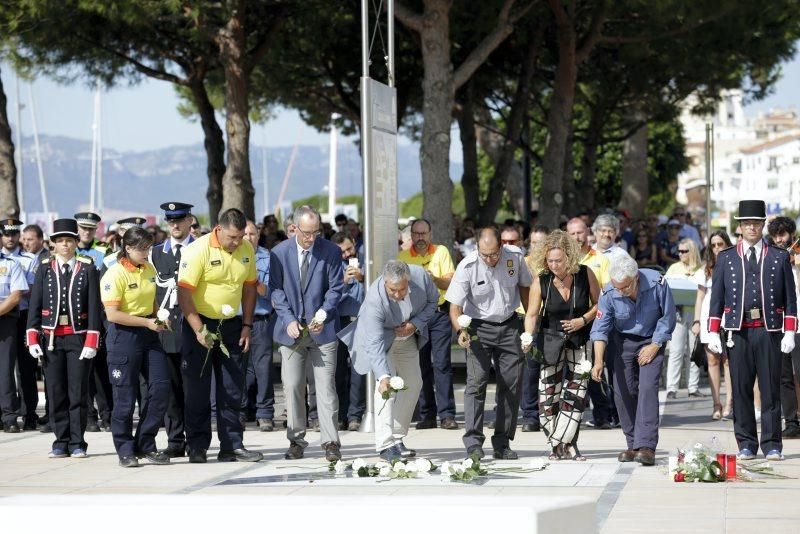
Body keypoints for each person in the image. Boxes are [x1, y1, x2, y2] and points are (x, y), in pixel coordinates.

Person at [708, 200, 797, 461]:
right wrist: (713, 331)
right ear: (740, 226)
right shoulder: (727, 258)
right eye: (746, 223)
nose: (751, 227)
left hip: (769, 331)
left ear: (762, 225)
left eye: (756, 223)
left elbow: (790, 299)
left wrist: (789, 331)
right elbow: (717, 299)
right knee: (741, 389)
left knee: (770, 389)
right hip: (738, 332)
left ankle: (772, 445)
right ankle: (746, 443)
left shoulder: (779, 257)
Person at [177, 208, 261, 464]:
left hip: (232, 324)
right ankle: (197, 446)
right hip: (199, 324)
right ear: (219, 229)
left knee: (232, 388)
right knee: (198, 389)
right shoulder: (197, 250)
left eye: (241, 237)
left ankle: (232, 445)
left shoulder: (246, 249)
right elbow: (184, 294)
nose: (237, 242)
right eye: (232, 237)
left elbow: (249, 290)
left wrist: (247, 324)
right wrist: (198, 329)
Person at [445, 227, 532, 460]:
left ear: (501, 246)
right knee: (476, 383)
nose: (490, 259)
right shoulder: (467, 266)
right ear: (477, 249)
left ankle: (502, 443)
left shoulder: (515, 257)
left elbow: (525, 288)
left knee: (511, 385)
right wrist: (460, 331)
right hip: (478, 328)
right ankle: (473, 442)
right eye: (485, 254)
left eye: (494, 254)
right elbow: (454, 307)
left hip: (510, 324)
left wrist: (530, 323)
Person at [338, 261, 438, 460]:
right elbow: (374, 342)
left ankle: (397, 437)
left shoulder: (420, 276)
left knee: (414, 383)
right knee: (387, 388)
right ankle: (384, 446)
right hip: (383, 341)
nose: (398, 295)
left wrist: (415, 324)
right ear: (384, 282)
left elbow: (433, 302)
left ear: (409, 281)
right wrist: (383, 376)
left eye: (402, 289)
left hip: (408, 337)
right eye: (393, 290)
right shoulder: (374, 300)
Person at [269, 205, 343, 461]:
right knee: (292, 386)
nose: (311, 238)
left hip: (322, 330)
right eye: (306, 232)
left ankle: (331, 441)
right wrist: (288, 319)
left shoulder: (331, 251)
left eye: (315, 232)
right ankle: (296, 440)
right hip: (291, 332)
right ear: (294, 228)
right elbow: (276, 291)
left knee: (325, 387)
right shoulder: (279, 253)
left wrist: (323, 314)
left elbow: (335, 288)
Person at [590, 255, 676, 466]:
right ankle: (633, 444)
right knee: (622, 391)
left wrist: (655, 345)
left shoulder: (657, 283)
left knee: (647, 388)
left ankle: (646, 446)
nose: (621, 292)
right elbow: (600, 329)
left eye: (625, 287)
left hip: (652, 339)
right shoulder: (609, 291)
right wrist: (598, 361)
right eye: (617, 287)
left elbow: (668, 317)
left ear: (636, 277)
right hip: (623, 342)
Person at [26, 218, 101, 457]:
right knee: (55, 391)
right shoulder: (46, 268)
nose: (65, 245)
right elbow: (35, 305)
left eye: (69, 240)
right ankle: (61, 440)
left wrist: (92, 340)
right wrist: (32, 337)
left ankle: (78, 442)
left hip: (78, 338)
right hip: (51, 339)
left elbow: (94, 307)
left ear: (76, 243)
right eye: (61, 241)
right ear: (53, 244)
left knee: (77, 392)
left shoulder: (87, 268)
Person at [522, 230, 599, 460]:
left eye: (558, 260)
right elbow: (532, 314)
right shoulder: (541, 280)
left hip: (580, 339)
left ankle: (568, 445)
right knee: (548, 396)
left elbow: (599, 303)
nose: (554, 265)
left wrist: (582, 320)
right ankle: (557, 444)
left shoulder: (585, 274)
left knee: (576, 394)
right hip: (550, 341)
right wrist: (527, 336)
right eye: (549, 260)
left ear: (569, 257)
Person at [101, 227, 171, 467]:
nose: (146, 253)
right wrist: (146, 322)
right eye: (142, 249)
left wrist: (158, 316)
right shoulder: (115, 274)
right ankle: (125, 449)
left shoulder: (149, 269)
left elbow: (151, 298)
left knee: (161, 387)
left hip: (148, 333)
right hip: (124, 336)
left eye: (149, 248)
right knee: (125, 397)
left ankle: (145, 443)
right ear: (128, 248)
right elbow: (112, 314)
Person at [397, 218, 458, 430]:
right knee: (420, 366)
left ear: (430, 234)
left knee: (442, 364)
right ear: (411, 236)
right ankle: (427, 414)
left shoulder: (441, 252)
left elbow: (450, 281)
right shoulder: (403, 257)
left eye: (424, 234)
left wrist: (433, 279)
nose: (420, 238)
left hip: (439, 314)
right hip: (416, 317)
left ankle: (447, 414)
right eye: (416, 234)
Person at [150, 202, 195, 457]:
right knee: (171, 390)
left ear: (190, 221)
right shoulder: (156, 253)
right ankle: (176, 440)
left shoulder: (199, 250)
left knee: (194, 390)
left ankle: (196, 439)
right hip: (167, 331)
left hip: (192, 327)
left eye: (180, 220)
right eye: (170, 221)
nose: (175, 225)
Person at [566, 217, 616, 430]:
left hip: (594, 319)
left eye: (580, 232)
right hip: (568, 320)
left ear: (588, 233)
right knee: (568, 370)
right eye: (573, 234)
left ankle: (602, 415)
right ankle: (568, 416)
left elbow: (605, 295)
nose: (577, 237)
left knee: (594, 369)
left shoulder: (600, 259)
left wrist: (586, 318)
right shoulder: (562, 259)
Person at [75, 211, 113, 433]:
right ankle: (88, 416)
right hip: (76, 314)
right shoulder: (69, 247)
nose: (86, 232)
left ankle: (106, 414)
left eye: (90, 228)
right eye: (83, 228)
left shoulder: (103, 250)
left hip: (98, 314)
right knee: (82, 369)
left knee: (100, 368)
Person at [691, 230, 734, 420]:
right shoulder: (706, 269)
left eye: (720, 244)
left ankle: (730, 404)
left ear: (727, 245)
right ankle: (716, 404)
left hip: (729, 318)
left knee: (729, 362)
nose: (716, 248)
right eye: (713, 244)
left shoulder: (735, 265)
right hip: (709, 318)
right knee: (712, 361)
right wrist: (697, 321)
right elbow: (700, 297)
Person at [1, 218, 39, 430]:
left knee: (26, 368)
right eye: (6, 234)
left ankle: (29, 413)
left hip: (23, 315)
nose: (10, 238)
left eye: (14, 234)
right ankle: (7, 413)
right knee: (4, 368)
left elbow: (30, 291)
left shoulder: (29, 259)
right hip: (5, 316)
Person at [766, 217, 800, 438]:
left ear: (791, 234)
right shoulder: (771, 255)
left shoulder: (796, 254)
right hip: (779, 322)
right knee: (784, 375)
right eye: (776, 235)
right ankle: (791, 421)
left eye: (783, 235)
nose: (779, 239)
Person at [241, 219, 276, 432]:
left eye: (252, 234)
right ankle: (241, 411)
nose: (248, 238)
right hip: (235, 320)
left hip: (259, 319)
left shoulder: (268, 258)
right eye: (244, 234)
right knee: (240, 369)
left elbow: (273, 293)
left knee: (263, 368)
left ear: (258, 235)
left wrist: (256, 282)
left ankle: (265, 413)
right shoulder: (230, 257)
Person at [332, 232, 366, 431]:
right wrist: (343, 282)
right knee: (338, 372)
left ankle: (355, 415)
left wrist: (362, 278)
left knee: (358, 372)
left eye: (349, 249)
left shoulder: (366, 264)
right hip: (340, 321)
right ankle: (341, 414)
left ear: (354, 244)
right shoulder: (334, 267)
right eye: (342, 252)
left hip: (361, 322)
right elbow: (329, 298)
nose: (346, 254)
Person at [664, 238, 704, 399]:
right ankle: (671, 388)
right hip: (678, 312)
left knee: (694, 351)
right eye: (678, 251)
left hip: (696, 312)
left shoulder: (701, 269)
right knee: (676, 351)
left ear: (692, 251)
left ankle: (693, 386)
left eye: (684, 251)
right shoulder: (673, 268)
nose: (680, 254)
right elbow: (664, 287)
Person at [0, 225, 28, 434]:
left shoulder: (11, 264)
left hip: (5, 320)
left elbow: (16, 294)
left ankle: (9, 415)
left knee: (5, 369)